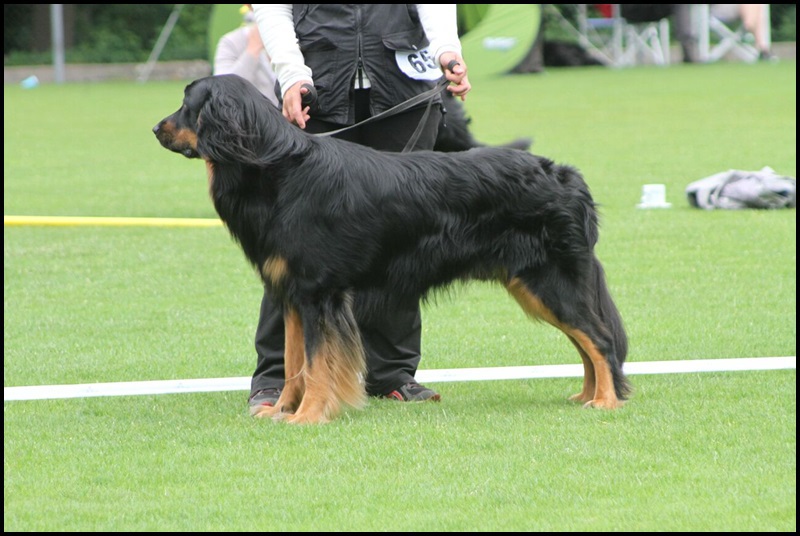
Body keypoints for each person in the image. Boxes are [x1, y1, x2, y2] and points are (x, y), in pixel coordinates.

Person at [247, 4, 471, 415]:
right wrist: (291, 73)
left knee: (401, 237)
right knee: (296, 249)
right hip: (314, 86)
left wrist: (446, 49)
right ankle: (277, 378)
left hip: (404, 86)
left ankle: (392, 373)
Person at [212, 5, 279, 106]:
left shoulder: (297, 38)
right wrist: (252, 50)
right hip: (252, 115)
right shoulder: (230, 42)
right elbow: (222, 92)